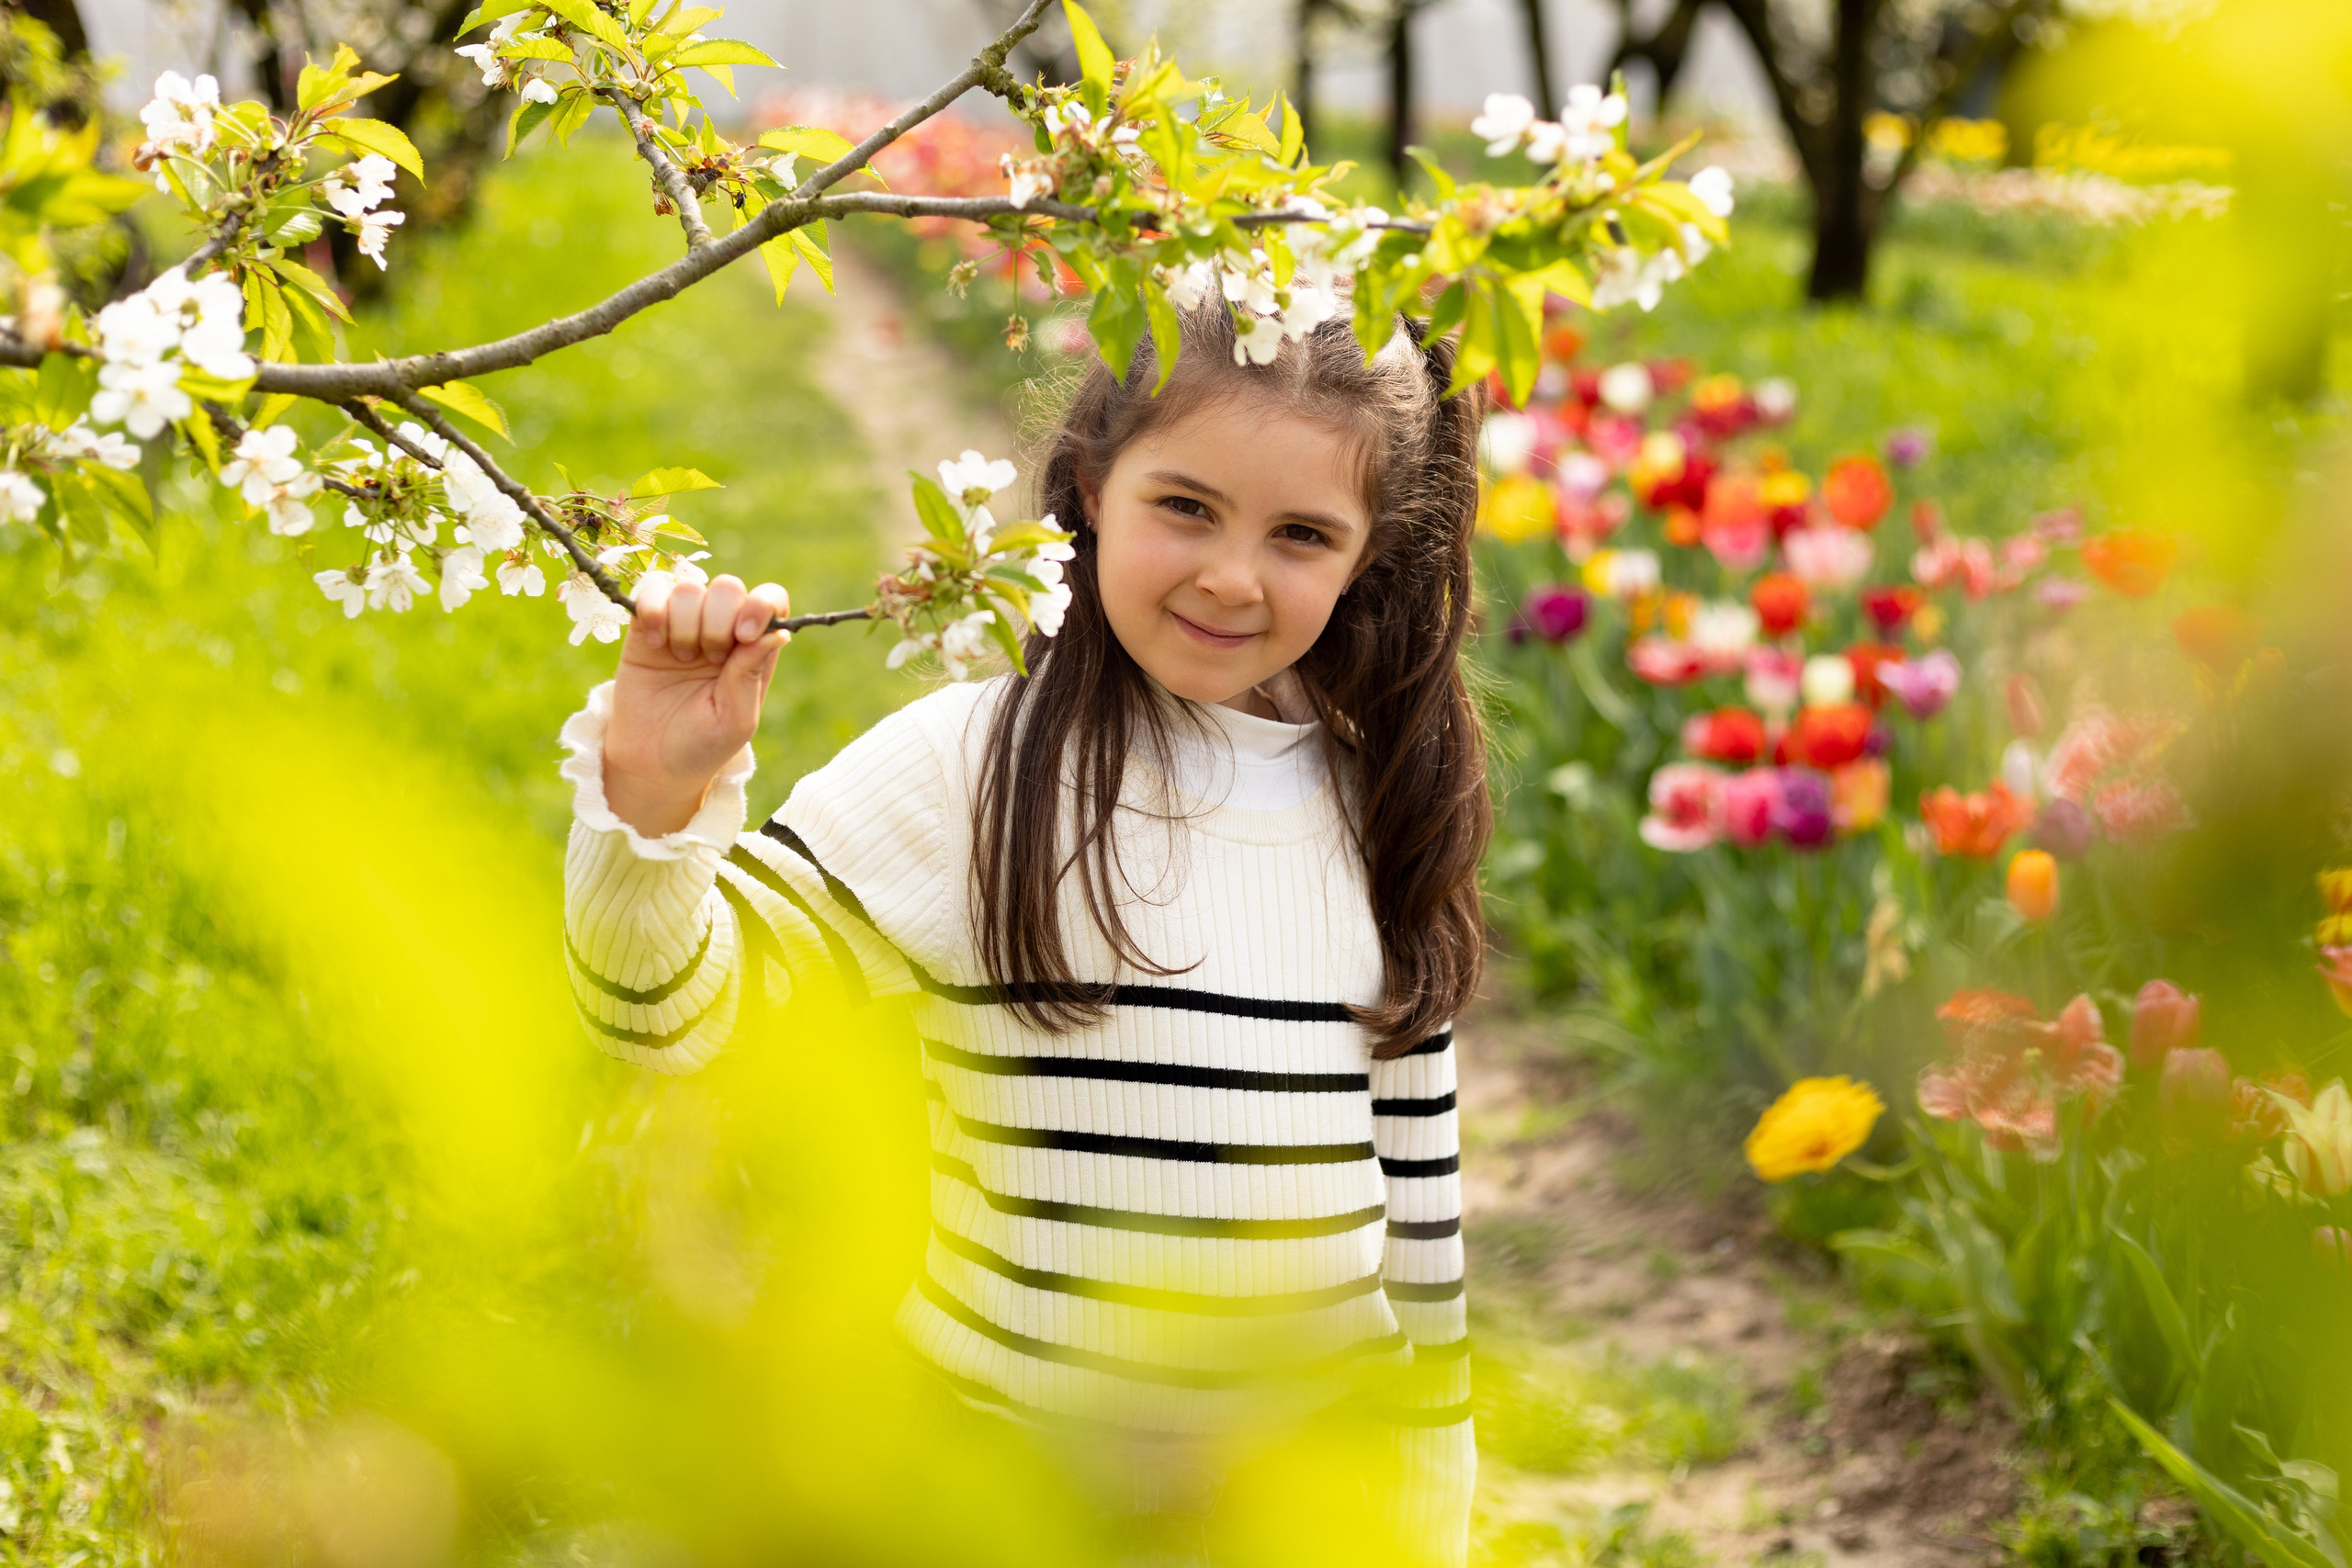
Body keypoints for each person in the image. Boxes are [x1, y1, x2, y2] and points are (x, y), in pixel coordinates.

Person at [556, 306, 1489, 1564]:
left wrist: (1425, 1519)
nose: (1231, 575)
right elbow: (663, 1016)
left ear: (1369, 555)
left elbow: (1420, 1230)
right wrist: (651, 800)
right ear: (1097, 482)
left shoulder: (1378, 805)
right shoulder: (970, 768)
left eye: (1302, 535)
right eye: (1189, 508)